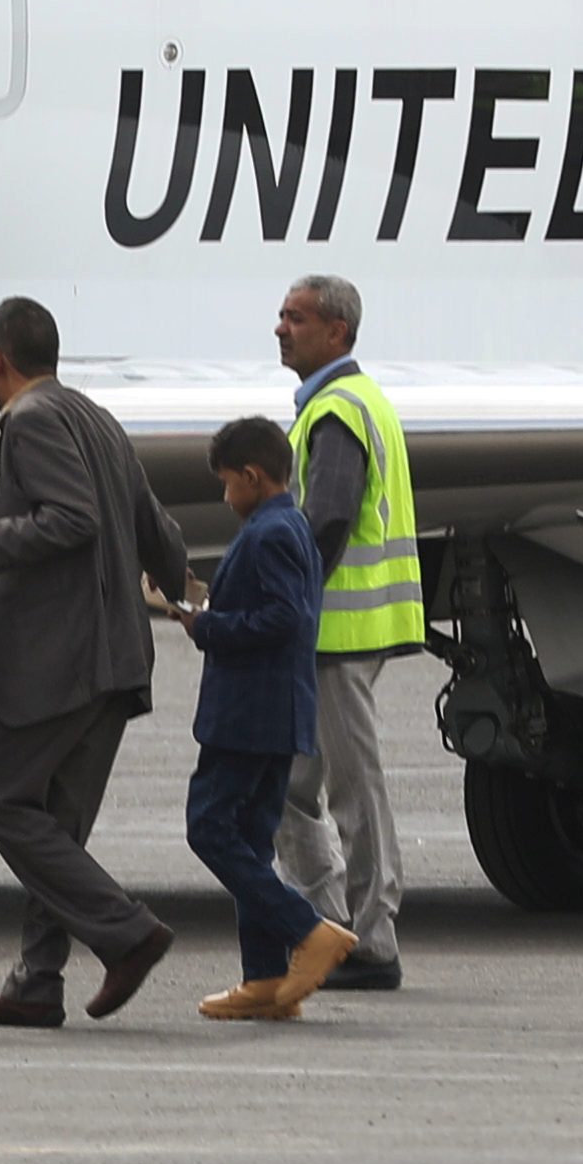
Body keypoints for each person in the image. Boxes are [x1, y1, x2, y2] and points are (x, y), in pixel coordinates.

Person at [0, 295, 194, 1028]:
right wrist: (180, 594)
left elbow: (73, 518)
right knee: (57, 827)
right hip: (115, 656)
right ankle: (37, 980)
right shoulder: (97, 418)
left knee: (7, 805)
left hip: (59, 660)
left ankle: (127, 931)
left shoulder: (32, 420)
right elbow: (158, 530)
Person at [172, 415, 363, 1024]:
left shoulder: (270, 532)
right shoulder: (291, 526)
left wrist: (207, 626)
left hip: (249, 715)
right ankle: (266, 977)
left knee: (209, 827)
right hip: (278, 713)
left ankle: (309, 931)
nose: (226, 495)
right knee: (252, 842)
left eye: (228, 482)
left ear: (252, 477)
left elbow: (285, 618)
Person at [271, 272, 418, 994]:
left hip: (339, 630)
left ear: (338, 332)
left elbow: (327, 516)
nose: (280, 328)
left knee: (352, 787)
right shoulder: (349, 404)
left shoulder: (337, 411)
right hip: (338, 629)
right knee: (289, 784)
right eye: (281, 315)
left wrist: (287, 593)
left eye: (296, 318)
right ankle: (329, 926)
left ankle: (371, 937)